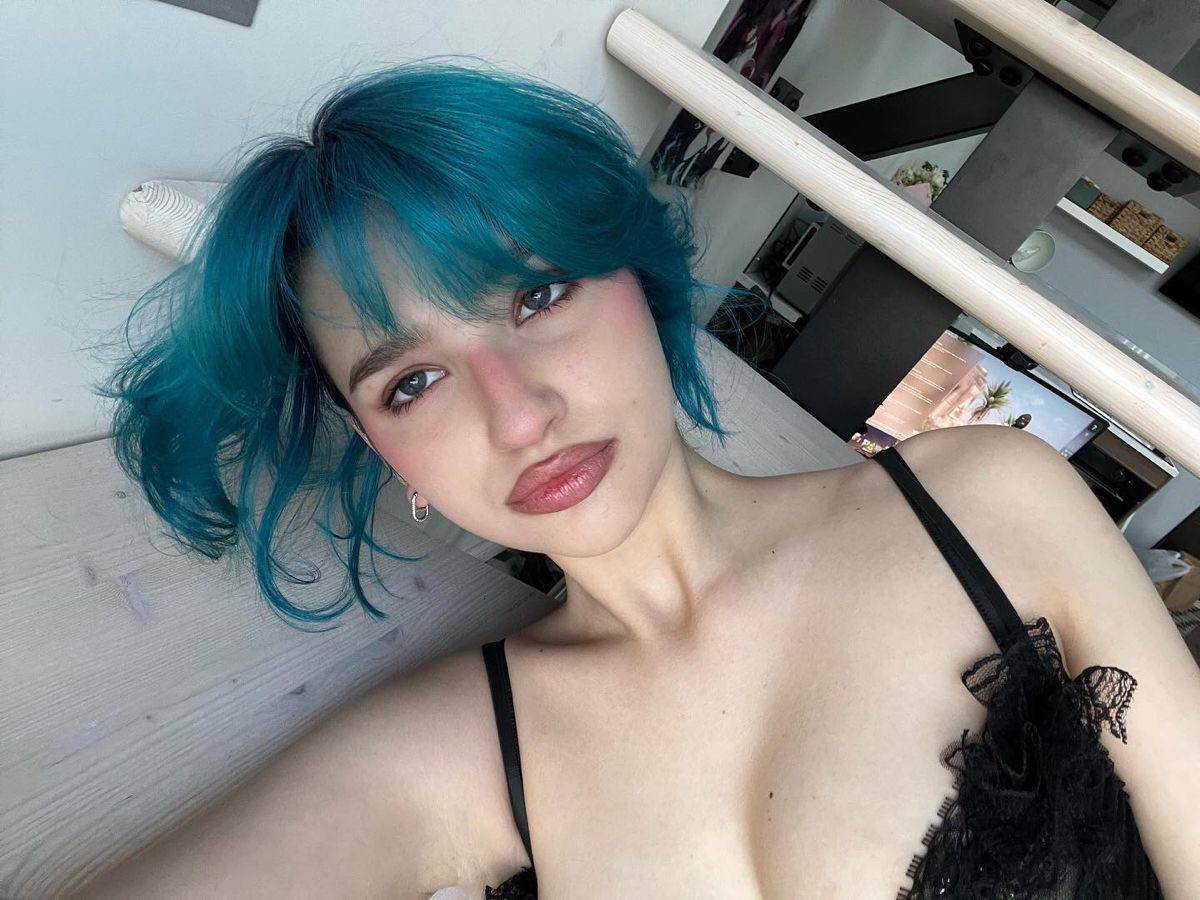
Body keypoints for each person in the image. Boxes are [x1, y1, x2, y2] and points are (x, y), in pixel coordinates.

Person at [76, 59, 1198, 899]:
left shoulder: (986, 505)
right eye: (411, 383)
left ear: (643, 285)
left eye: (536, 298)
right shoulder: (456, 751)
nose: (519, 415)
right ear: (385, 453)